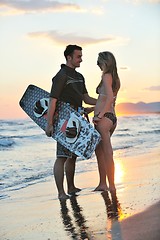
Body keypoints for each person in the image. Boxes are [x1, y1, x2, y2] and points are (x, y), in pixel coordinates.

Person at [45, 45, 96, 199]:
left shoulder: (80, 77)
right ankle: (61, 193)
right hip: (63, 120)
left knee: (72, 156)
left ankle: (71, 187)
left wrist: (104, 100)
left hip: (77, 118)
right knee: (62, 156)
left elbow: (86, 99)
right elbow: (52, 101)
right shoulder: (61, 76)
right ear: (69, 57)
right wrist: (49, 123)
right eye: (78, 56)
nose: (81, 59)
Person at [93, 51, 120, 193]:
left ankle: (111, 185)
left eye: (99, 62)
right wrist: (92, 108)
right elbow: (107, 99)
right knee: (100, 151)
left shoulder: (106, 76)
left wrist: (99, 115)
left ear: (105, 62)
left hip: (104, 119)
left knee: (107, 152)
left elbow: (109, 98)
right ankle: (103, 183)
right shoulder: (115, 78)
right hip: (112, 118)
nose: (97, 65)